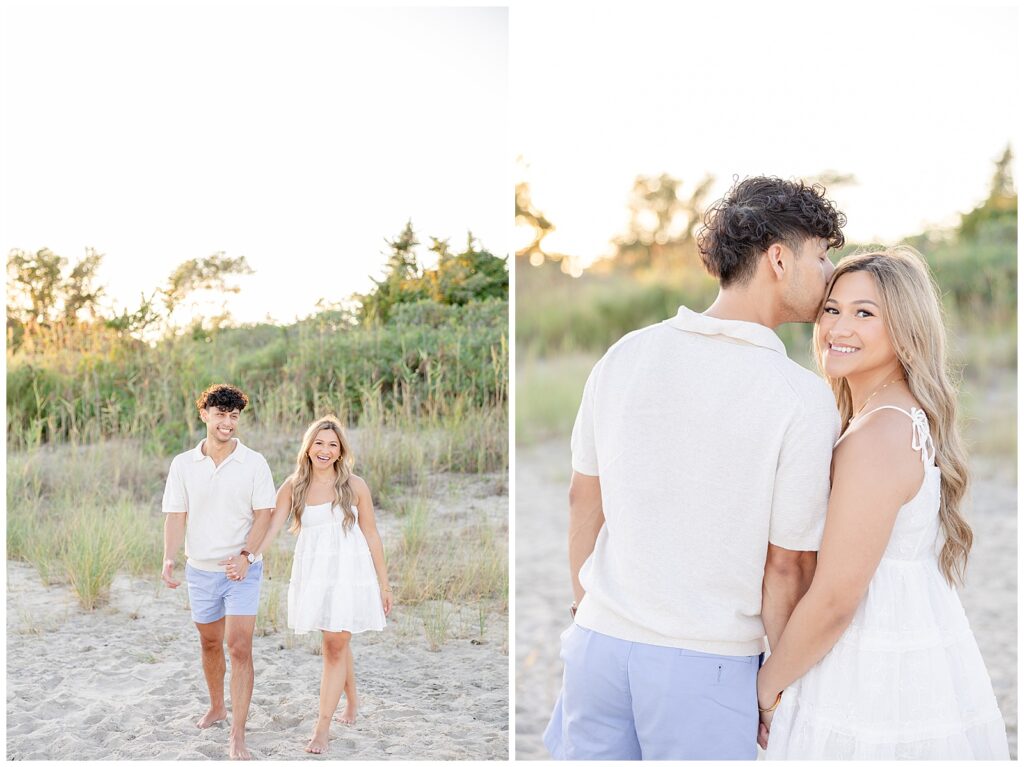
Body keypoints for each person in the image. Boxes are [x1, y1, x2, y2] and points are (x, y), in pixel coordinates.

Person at [543, 176, 847, 760]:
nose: (829, 271)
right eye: (822, 254)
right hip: (705, 662)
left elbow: (584, 499)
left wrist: (585, 609)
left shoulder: (625, 354)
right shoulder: (800, 398)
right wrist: (773, 689)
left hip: (597, 647)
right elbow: (785, 567)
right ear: (779, 258)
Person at [757, 247, 1009, 759]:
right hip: (905, 640)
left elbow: (835, 599)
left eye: (864, 313)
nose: (838, 328)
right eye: (832, 309)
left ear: (906, 332)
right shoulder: (891, 416)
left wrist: (766, 689)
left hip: (870, 660)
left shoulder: (879, 434)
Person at [255, 414, 392, 755]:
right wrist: (249, 556)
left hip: (350, 572)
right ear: (308, 447)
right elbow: (271, 528)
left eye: (333, 445)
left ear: (341, 450)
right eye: (319, 443)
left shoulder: (355, 485)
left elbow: (372, 535)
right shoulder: (293, 485)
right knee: (335, 639)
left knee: (333, 645)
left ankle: (322, 727)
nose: (325, 450)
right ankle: (352, 702)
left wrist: (384, 585)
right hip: (315, 573)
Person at [161, 383, 277, 761]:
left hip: (242, 569)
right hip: (201, 570)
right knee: (210, 642)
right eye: (220, 415)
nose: (227, 422)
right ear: (204, 415)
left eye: (234, 416)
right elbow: (176, 515)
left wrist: (246, 555)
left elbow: (265, 515)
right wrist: (168, 557)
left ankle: (238, 734)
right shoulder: (183, 464)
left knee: (239, 646)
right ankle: (217, 706)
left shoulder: (254, 462)